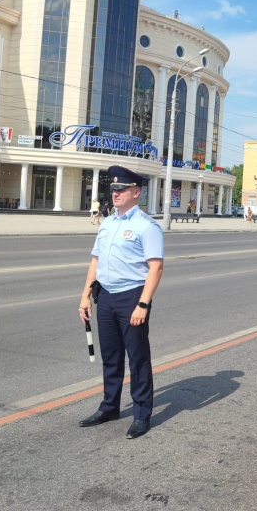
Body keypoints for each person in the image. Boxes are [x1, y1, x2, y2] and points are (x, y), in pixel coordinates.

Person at [78, 166, 164, 439]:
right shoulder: (107, 223)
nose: (115, 193)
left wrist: (143, 304)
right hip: (104, 297)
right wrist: (84, 296)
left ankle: (141, 414)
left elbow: (156, 268)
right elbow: (96, 261)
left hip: (131, 297)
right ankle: (109, 406)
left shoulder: (146, 226)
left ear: (136, 193)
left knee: (138, 359)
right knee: (111, 357)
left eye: (121, 189)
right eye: (114, 189)